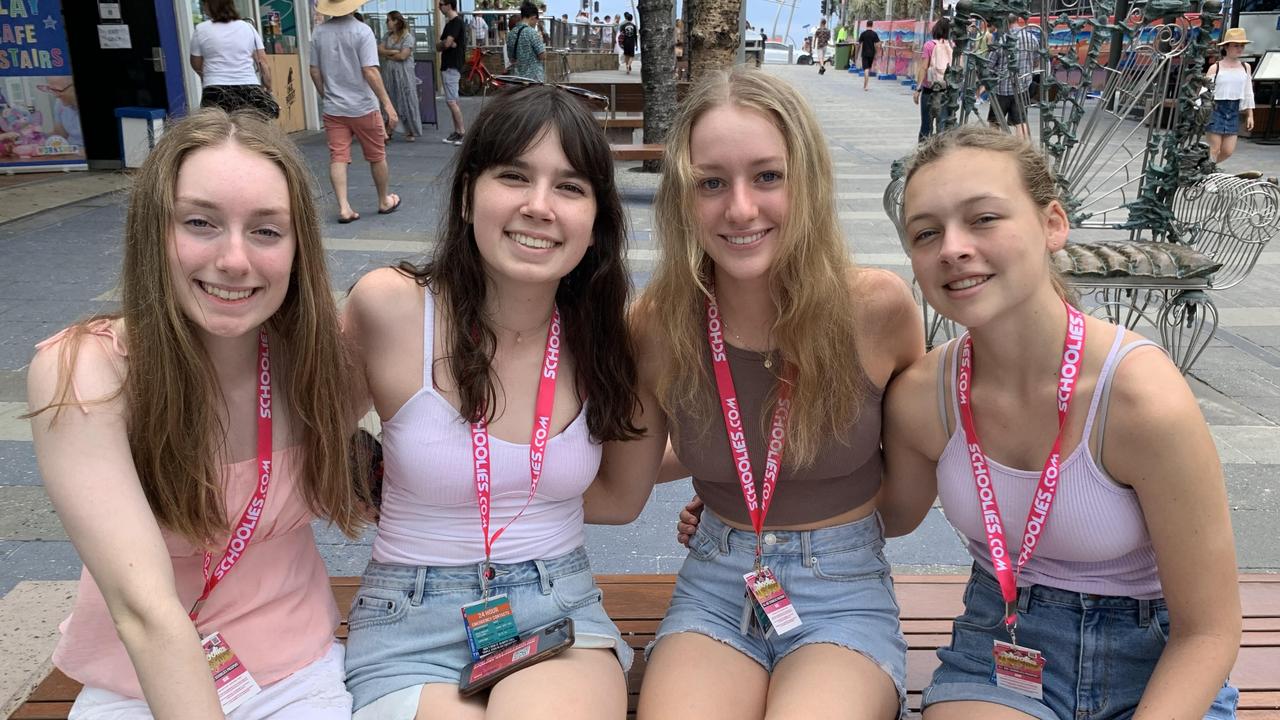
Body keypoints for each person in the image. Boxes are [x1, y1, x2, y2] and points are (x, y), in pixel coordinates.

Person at [584, 68, 925, 720]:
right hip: (717, 577)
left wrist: (802, 519)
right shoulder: (657, 322)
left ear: (809, 181)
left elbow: (905, 498)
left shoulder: (876, 309)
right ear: (684, 197)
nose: (740, 208)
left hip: (842, 587)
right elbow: (633, 475)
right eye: (712, 182)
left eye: (768, 176)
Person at [878, 126, 1241, 719]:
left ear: (1052, 224)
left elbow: (1209, 631)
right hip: (1001, 648)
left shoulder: (1137, 399)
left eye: (984, 218)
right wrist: (735, 500)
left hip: (1154, 657)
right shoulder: (925, 397)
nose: (952, 247)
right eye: (926, 232)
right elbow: (885, 516)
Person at [27, 109, 368, 720]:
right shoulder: (89, 370)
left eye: (267, 231)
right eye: (200, 223)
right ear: (154, 232)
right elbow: (143, 609)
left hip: (296, 671)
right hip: (139, 678)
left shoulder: (320, 362)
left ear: (299, 247)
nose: (234, 259)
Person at [340, 84, 640, 720]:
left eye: (570, 186)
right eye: (514, 176)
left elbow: (621, 490)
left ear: (596, 220)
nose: (538, 206)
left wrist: (727, 472)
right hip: (406, 619)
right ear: (467, 191)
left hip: (556, 608)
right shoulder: (390, 308)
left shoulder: (604, 336)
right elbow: (303, 448)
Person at [309, 0, 401, 224]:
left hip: (334, 108)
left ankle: (343, 207)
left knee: (338, 157)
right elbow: (370, 70)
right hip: (363, 106)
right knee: (377, 155)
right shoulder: (362, 31)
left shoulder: (319, 33)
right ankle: (383, 200)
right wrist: (387, 104)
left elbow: (314, 70)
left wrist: (326, 95)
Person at [189, 0, 277, 118]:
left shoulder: (201, 29)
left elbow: (196, 62)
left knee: (216, 131)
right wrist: (269, 89)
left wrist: (207, 76)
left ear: (209, 6)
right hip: (249, 87)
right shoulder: (248, 28)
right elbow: (263, 63)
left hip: (215, 89)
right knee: (252, 131)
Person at [1206, 27, 1256, 165]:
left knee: (1228, 150)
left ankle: (1206, 168)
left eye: (1242, 46)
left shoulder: (1246, 67)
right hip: (1216, 108)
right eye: (1236, 45)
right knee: (1214, 149)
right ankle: (1207, 176)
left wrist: (1250, 114)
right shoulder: (1215, 68)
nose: (1239, 49)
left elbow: (1248, 92)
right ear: (1226, 47)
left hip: (1233, 110)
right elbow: (1204, 92)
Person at [985, 15, 1038, 138]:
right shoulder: (1032, 38)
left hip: (1002, 88)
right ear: (1017, 20)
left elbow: (990, 65)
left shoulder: (1002, 40)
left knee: (995, 122)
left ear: (1005, 22)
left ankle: (996, 149)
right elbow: (1036, 60)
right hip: (1023, 87)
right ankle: (1022, 150)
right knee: (1021, 122)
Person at [379, 11, 423, 143]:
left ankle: (411, 130)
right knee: (390, 98)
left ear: (396, 21)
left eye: (388, 20)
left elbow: (403, 56)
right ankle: (389, 129)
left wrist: (388, 55)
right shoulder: (387, 36)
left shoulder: (407, 37)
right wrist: (391, 52)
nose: (387, 23)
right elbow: (379, 49)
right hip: (390, 73)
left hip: (404, 74)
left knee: (407, 99)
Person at [914, 18, 953, 141]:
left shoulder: (929, 45)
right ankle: (939, 155)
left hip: (929, 89)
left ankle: (923, 153)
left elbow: (924, 68)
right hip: (946, 90)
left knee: (926, 125)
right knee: (942, 125)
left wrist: (918, 89)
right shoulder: (952, 45)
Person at [438, 0, 467, 146]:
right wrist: (446, 44)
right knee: (452, 101)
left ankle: (461, 132)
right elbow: (440, 45)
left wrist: (447, 43)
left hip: (452, 65)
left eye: (441, 4)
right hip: (448, 65)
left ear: (449, 5)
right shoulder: (449, 24)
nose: (440, 7)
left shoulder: (456, 23)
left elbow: (446, 43)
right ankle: (457, 131)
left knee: (452, 101)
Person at [507, 1, 547, 82]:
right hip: (534, 79)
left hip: (517, 78)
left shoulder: (511, 33)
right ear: (533, 17)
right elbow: (542, 56)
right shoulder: (532, 32)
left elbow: (511, 58)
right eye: (536, 20)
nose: (536, 23)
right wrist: (541, 41)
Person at [40, 76, 84, 147]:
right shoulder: (60, 103)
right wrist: (36, 137)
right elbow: (60, 134)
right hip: (71, 151)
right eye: (52, 89)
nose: (55, 95)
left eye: (58, 90)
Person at [856, 21, 881, 91]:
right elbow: (877, 44)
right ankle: (865, 85)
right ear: (872, 25)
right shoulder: (874, 34)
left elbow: (859, 44)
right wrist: (876, 53)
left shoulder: (863, 34)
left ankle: (865, 85)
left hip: (864, 54)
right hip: (871, 54)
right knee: (868, 68)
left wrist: (857, 53)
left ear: (866, 25)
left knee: (866, 69)